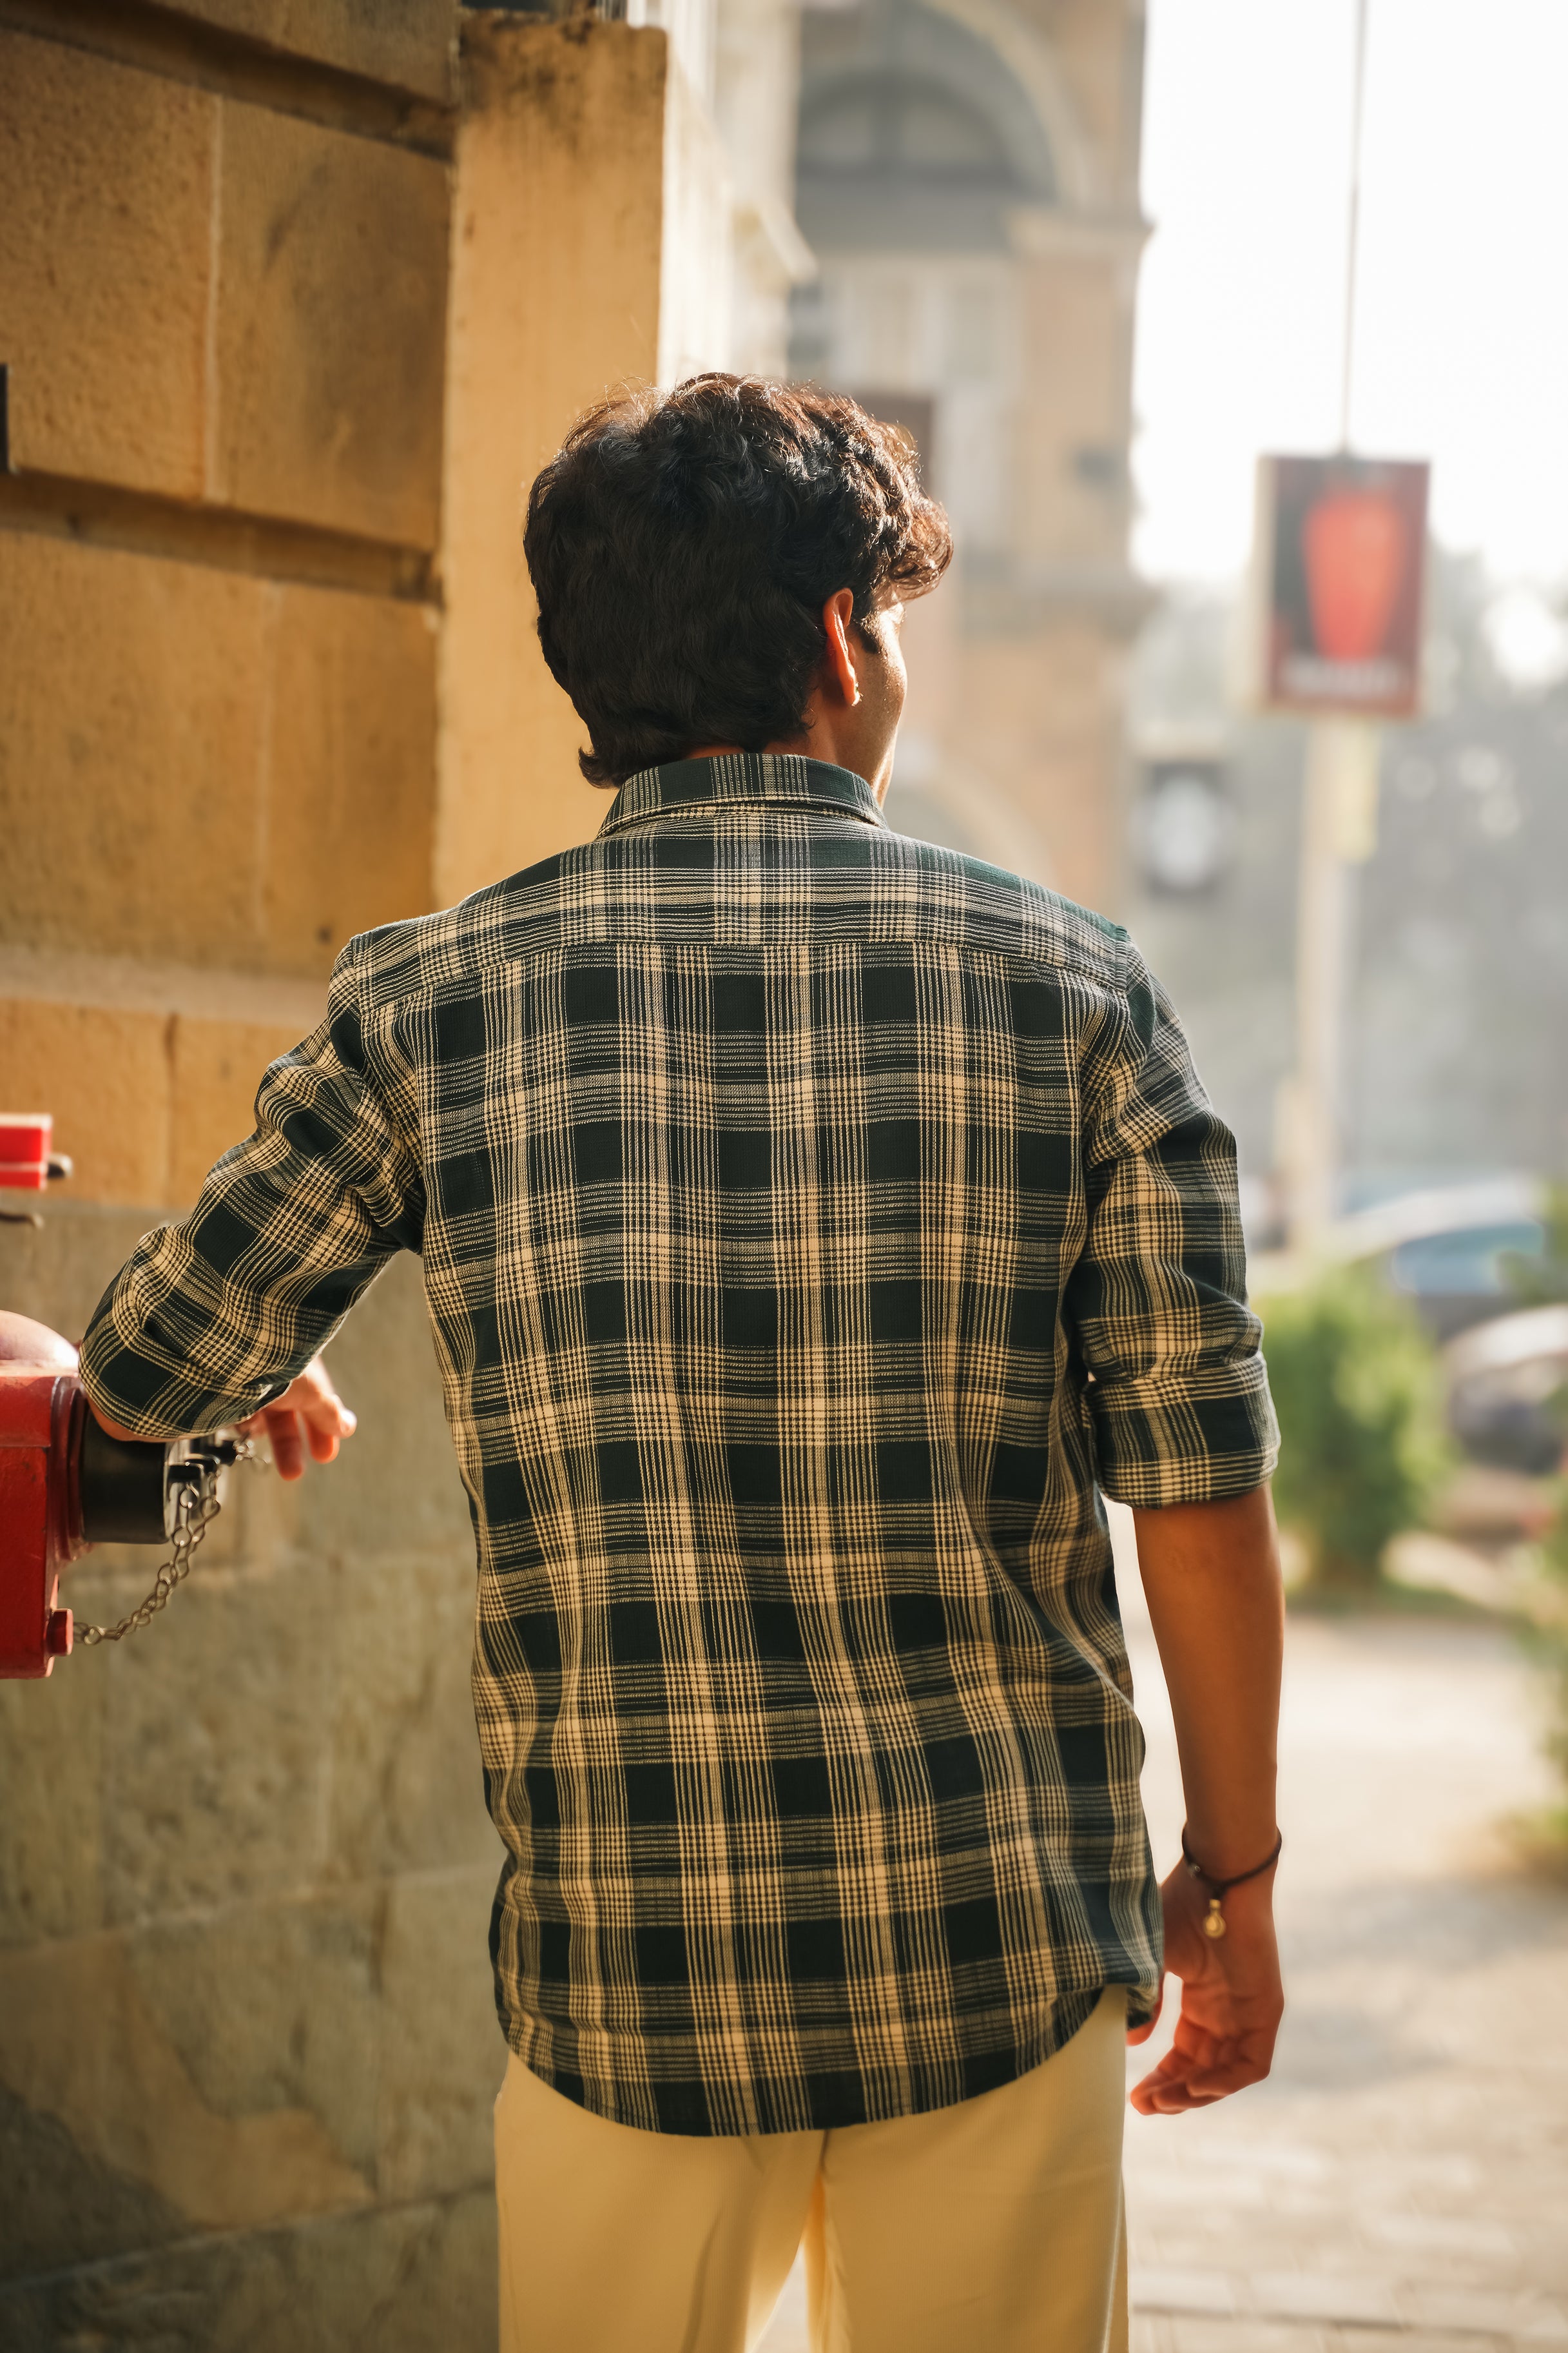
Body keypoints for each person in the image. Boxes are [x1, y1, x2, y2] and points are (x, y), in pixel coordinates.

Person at [81, 376, 1285, 2353]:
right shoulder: (1075, 994)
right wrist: (1229, 1888)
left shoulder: (426, 1001)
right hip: (989, 1961)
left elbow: (144, 1370)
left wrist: (251, 1362)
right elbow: (1203, 1510)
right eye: (886, 619)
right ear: (837, 636)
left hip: (621, 1987)